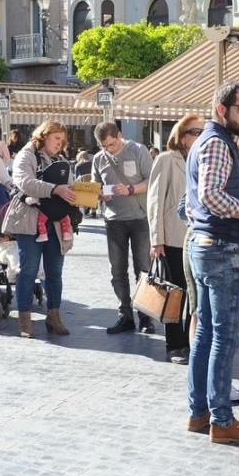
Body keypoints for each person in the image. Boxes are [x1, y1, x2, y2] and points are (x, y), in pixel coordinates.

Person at [185, 82, 239, 444]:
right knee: (224, 336)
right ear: (222, 110)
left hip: (205, 246)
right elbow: (211, 195)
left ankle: (199, 413)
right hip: (220, 249)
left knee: (206, 333)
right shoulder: (217, 142)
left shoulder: (206, 141)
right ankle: (221, 419)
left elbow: (193, 203)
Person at [2, 120, 77, 337]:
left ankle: (54, 317)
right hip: (29, 220)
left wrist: (78, 193)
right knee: (29, 270)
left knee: (55, 271)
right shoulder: (27, 154)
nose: (59, 144)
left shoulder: (61, 159)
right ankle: (25, 320)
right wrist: (56, 189)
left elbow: (68, 186)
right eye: (56, 139)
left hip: (55, 220)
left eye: (62, 141)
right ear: (44, 135)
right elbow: (24, 182)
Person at [147, 113, 203, 364]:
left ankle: (190, 341)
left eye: (202, 132)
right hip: (171, 236)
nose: (198, 136)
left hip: (196, 237)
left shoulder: (202, 159)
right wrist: (156, 238)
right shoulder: (167, 159)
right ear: (180, 136)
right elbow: (155, 199)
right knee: (174, 293)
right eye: (193, 132)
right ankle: (174, 345)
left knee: (192, 295)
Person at [91, 122, 156, 335]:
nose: (109, 149)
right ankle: (125, 314)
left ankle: (145, 316)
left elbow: (152, 180)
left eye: (112, 143)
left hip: (139, 217)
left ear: (119, 135)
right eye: (105, 146)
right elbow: (95, 186)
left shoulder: (138, 150)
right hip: (113, 219)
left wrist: (131, 189)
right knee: (117, 270)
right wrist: (101, 193)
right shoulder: (99, 158)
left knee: (143, 270)